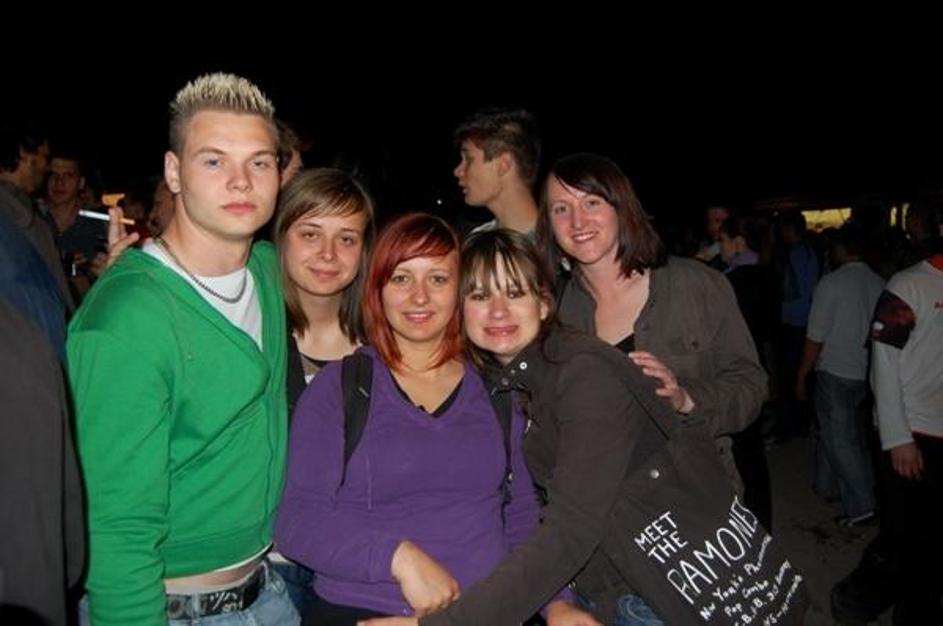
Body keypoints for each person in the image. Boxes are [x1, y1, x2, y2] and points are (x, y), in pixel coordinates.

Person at [68, 72, 298, 625]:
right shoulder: (125, 322)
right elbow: (114, 531)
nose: (241, 182)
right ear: (174, 172)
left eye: (259, 162)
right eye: (214, 161)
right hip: (172, 610)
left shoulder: (268, 270)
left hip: (269, 594)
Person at [276, 214, 579, 625]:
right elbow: (297, 522)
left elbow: (522, 516)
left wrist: (557, 602)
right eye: (401, 278)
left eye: (437, 279)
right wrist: (398, 558)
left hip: (481, 614)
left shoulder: (497, 391)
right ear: (377, 289)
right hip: (365, 611)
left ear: (459, 291)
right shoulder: (341, 388)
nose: (419, 297)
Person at [542, 153, 767, 493]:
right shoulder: (554, 314)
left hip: (697, 494)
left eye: (591, 202)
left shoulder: (696, 284)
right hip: (609, 505)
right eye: (561, 208)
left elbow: (751, 384)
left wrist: (685, 399)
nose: (577, 221)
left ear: (621, 207)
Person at [452, 108, 541, 237]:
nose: (458, 171)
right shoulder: (477, 241)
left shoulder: (561, 242)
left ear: (503, 165)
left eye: (469, 159)